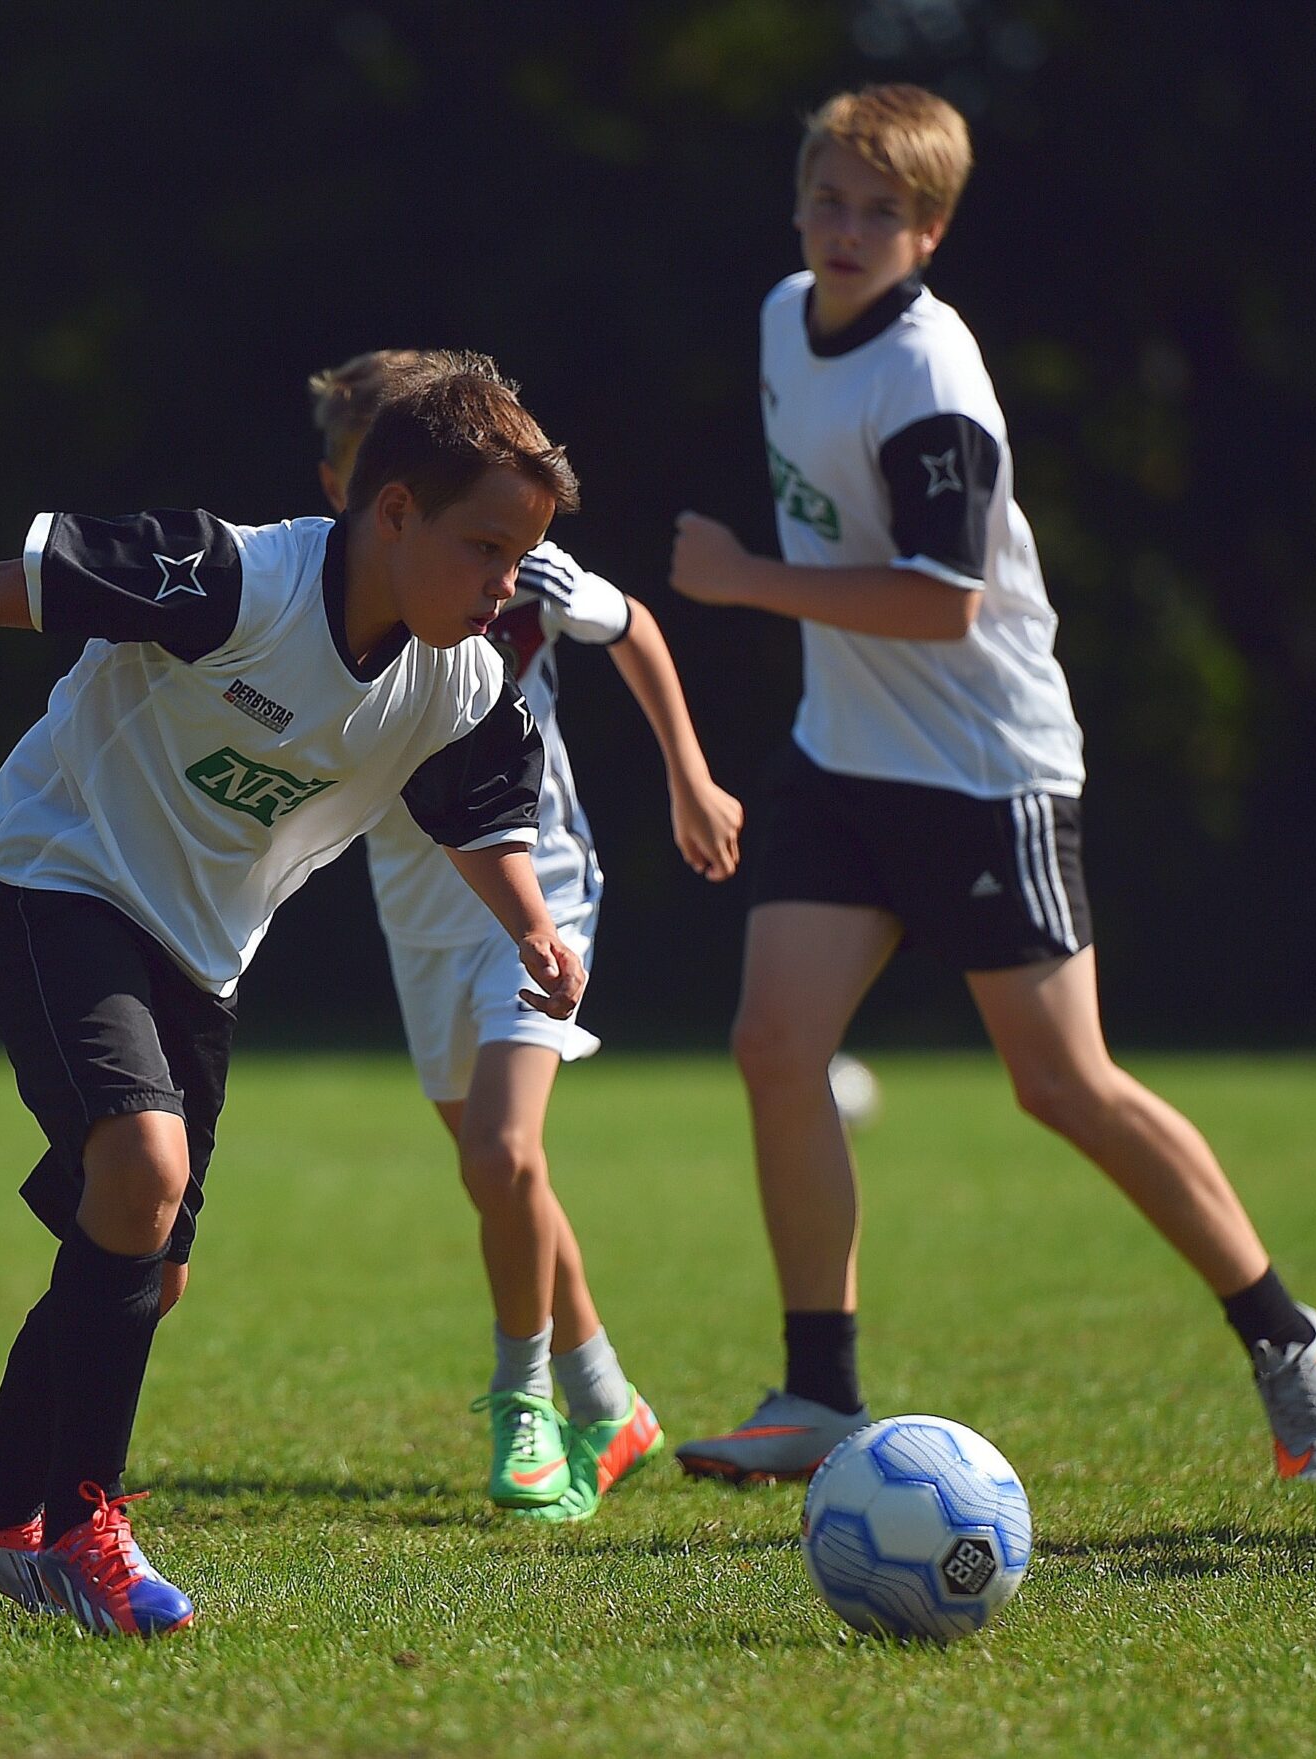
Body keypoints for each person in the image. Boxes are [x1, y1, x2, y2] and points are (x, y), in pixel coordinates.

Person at [0, 354, 585, 1631]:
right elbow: (3, 592)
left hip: (199, 957)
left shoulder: (464, 679)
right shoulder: (230, 576)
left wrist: (533, 924)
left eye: (520, 555)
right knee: (142, 1172)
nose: (505, 586)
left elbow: (478, 812)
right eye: (487, 547)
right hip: (51, 871)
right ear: (390, 514)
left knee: (148, 1270)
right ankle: (79, 1526)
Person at [666, 84, 1316, 1486]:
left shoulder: (931, 378)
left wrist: (746, 582)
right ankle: (817, 1392)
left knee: (1062, 1082)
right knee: (773, 1045)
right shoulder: (778, 317)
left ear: (929, 233)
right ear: (799, 201)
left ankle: (1291, 1333)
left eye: (883, 211)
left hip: (986, 770)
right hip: (842, 755)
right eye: (830, 199)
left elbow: (944, 602)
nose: (849, 229)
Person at [309, 350, 743, 1520]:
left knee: (502, 1155)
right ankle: (609, 1396)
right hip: (418, 911)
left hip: (536, 886)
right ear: (357, 487)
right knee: (501, 1175)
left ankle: (523, 1404)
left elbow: (634, 625)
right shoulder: (318, 586)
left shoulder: (513, 564)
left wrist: (690, 781)